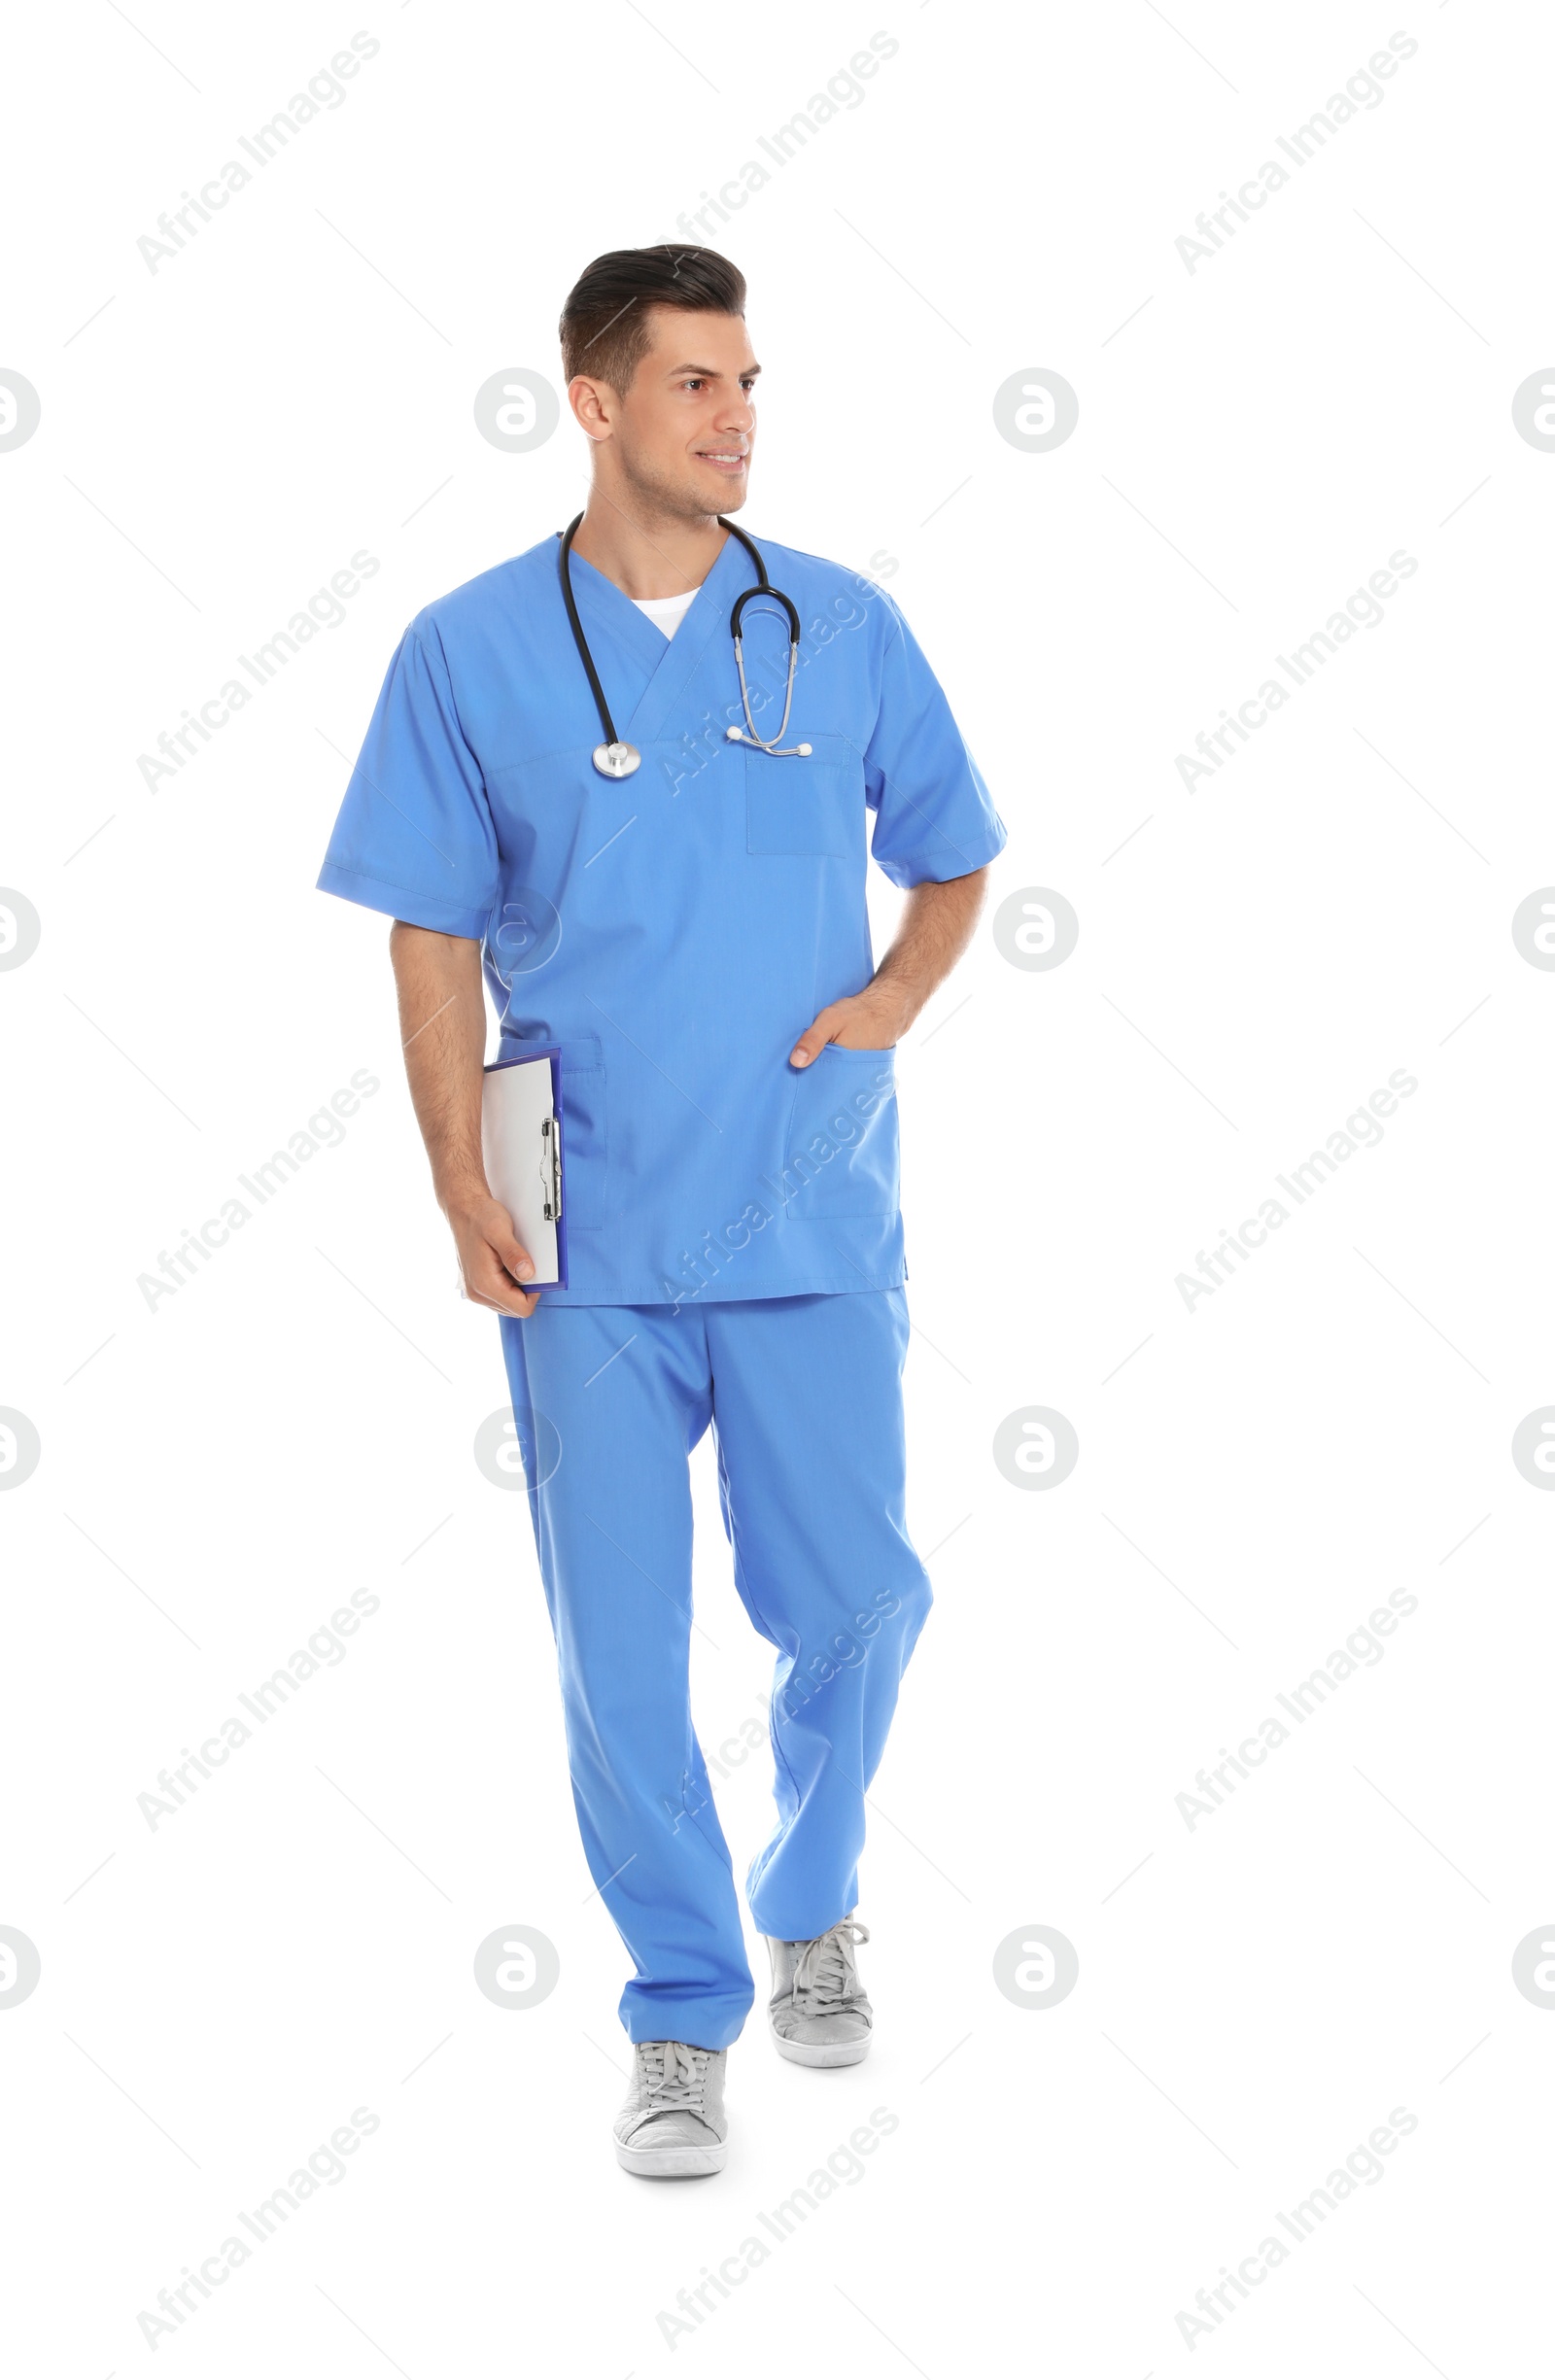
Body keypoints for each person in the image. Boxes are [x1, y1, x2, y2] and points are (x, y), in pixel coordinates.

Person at [317, 246, 1005, 2178]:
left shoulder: (842, 627)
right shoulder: (467, 648)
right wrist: (457, 1174)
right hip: (586, 1231)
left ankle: (811, 1894)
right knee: (618, 1662)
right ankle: (682, 2011)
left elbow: (952, 863)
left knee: (861, 1604)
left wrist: (883, 1002)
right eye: (697, 384)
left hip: (802, 1220)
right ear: (596, 401)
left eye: (751, 381)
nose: (738, 417)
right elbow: (429, 928)